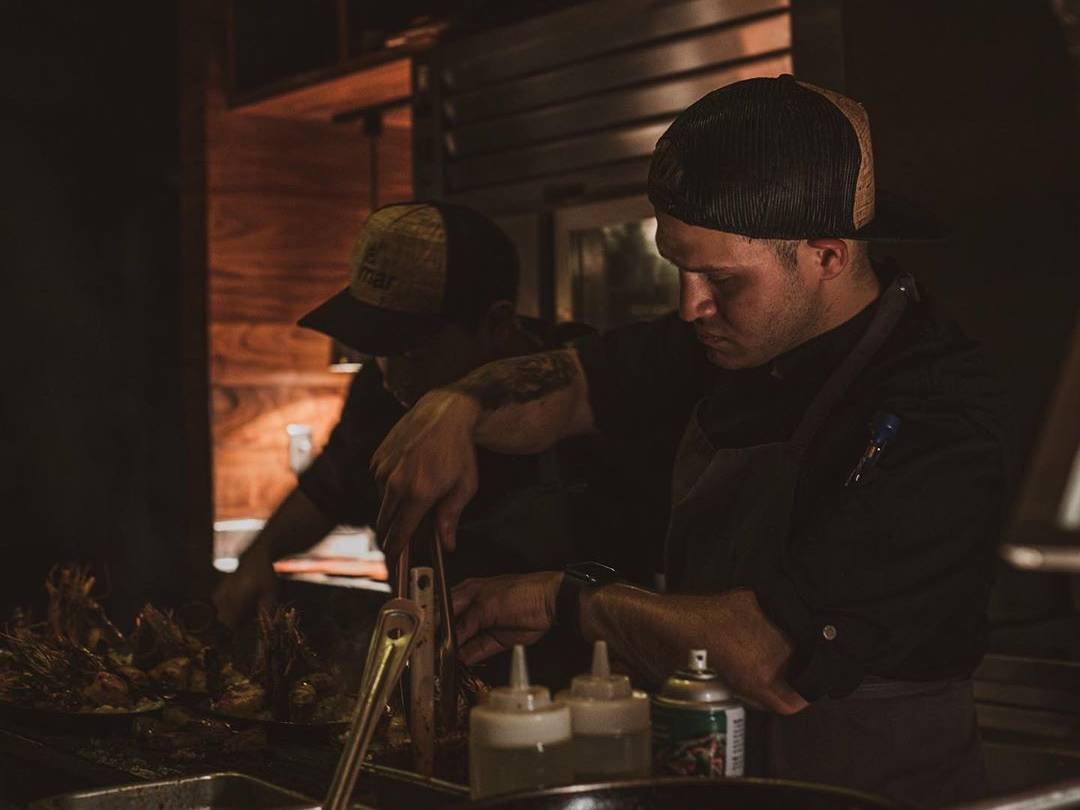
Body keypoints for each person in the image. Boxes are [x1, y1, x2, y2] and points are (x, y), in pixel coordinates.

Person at [369, 77, 1007, 807]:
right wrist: (458, 405)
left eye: (719, 279)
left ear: (827, 256)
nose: (690, 305)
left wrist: (566, 600)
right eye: (678, 267)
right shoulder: (727, 340)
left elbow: (766, 652)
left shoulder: (936, 409)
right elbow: (572, 383)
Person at [212, 201, 653, 684]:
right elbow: (330, 487)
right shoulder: (378, 392)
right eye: (379, 353)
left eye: (413, 353)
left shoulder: (592, 394)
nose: (390, 375)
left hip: (580, 699)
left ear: (498, 324)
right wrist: (259, 556)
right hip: (429, 684)